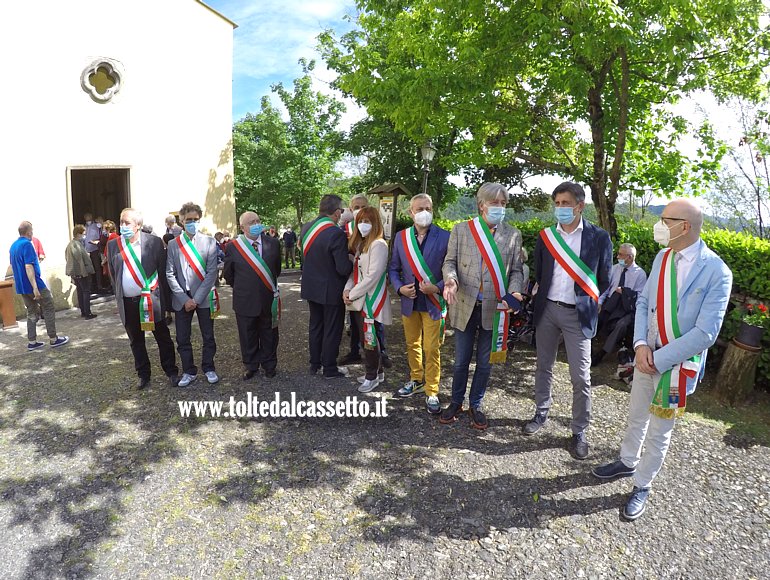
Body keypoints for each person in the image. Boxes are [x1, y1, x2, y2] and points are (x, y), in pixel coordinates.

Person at [592, 199, 732, 520]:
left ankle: (643, 484)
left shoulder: (716, 272)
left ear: (684, 227)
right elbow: (643, 303)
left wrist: (659, 358)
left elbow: (705, 333)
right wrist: (641, 345)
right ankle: (627, 462)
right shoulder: (661, 257)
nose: (659, 224)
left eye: (665, 219)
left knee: (659, 430)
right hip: (646, 357)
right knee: (636, 415)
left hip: (676, 368)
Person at [522, 182, 612, 459]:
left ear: (580, 206)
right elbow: (540, 272)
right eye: (557, 203)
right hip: (547, 310)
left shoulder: (599, 238)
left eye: (565, 203)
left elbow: (605, 278)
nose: (560, 208)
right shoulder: (546, 237)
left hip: (578, 314)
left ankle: (579, 430)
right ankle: (541, 412)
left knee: (581, 377)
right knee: (543, 367)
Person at [441, 183, 524, 430]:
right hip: (465, 303)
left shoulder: (513, 235)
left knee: (485, 363)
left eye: (503, 203)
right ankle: (456, 402)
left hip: (495, 308)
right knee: (460, 361)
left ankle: (475, 404)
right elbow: (450, 261)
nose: (499, 207)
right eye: (494, 203)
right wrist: (451, 280)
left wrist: (516, 290)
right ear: (481, 205)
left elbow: (517, 271)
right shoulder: (462, 230)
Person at [388, 193, 450, 414]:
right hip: (410, 301)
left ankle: (432, 389)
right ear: (410, 212)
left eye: (428, 208)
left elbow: (452, 270)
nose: (424, 212)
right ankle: (416, 378)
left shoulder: (445, 237)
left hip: (433, 301)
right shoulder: (400, 237)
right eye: (419, 208)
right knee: (412, 344)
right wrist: (399, 288)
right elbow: (393, 268)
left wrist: (438, 287)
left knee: (432, 348)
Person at [107, 208, 179, 390]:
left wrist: (167, 304)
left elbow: (162, 273)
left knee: (162, 337)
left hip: (151, 300)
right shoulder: (113, 245)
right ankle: (143, 375)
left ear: (138, 225)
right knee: (136, 341)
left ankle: (171, 371)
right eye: (121, 222)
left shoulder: (153, 243)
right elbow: (113, 275)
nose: (123, 226)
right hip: (128, 302)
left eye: (127, 223)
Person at [166, 202, 220, 387]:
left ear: (200, 219)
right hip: (182, 298)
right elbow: (169, 274)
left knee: (208, 335)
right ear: (181, 220)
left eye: (195, 219)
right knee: (182, 338)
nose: (192, 223)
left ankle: (209, 367)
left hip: (203, 298)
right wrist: (184, 299)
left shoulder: (210, 242)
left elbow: (212, 273)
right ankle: (189, 371)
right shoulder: (173, 244)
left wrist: (196, 299)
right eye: (188, 219)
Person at [300, 194, 353, 378]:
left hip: (311, 286)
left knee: (316, 325)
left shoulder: (306, 228)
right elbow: (342, 267)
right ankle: (329, 367)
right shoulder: (336, 233)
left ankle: (314, 364)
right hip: (330, 289)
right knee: (332, 328)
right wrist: (354, 262)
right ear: (337, 212)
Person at [224, 211, 281, 379]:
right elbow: (229, 274)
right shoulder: (233, 246)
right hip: (244, 299)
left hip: (268, 298)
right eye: (251, 222)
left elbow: (276, 269)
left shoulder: (273, 243)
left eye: (258, 221)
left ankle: (269, 364)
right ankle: (251, 365)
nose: (256, 224)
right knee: (247, 334)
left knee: (269, 333)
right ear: (242, 227)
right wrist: (244, 287)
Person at [344, 206, 392, 392]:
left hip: (371, 300)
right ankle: (377, 372)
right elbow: (356, 273)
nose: (364, 225)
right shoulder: (362, 245)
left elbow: (373, 276)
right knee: (367, 339)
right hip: (360, 299)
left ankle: (371, 375)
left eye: (368, 221)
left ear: (375, 223)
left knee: (369, 339)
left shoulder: (378, 245)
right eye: (361, 221)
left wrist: (352, 294)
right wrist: (347, 290)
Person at [10, 221, 69, 351]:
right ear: (29, 232)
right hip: (33, 284)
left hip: (21, 286)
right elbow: (28, 266)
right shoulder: (27, 245)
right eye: (32, 231)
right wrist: (35, 287)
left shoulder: (13, 246)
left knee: (31, 312)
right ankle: (53, 338)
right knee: (48, 306)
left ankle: (32, 341)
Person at [591, 243, 647, 367]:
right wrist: (600, 302)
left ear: (630, 257)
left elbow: (641, 296)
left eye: (621, 255)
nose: (618, 257)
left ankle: (602, 353)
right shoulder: (615, 268)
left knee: (621, 326)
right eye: (618, 254)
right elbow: (607, 288)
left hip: (627, 308)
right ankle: (588, 348)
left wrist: (626, 292)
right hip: (611, 302)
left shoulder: (640, 274)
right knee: (596, 317)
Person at [65, 224, 96, 319]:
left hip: (76, 272)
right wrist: (84, 272)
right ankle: (87, 312)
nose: (84, 236)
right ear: (78, 234)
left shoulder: (71, 244)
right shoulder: (75, 245)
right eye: (83, 234)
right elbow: (79, 260)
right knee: (85, 291)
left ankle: (83, 311)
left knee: (80, 291)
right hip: (80, 272)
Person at [84, 212, 106, 295]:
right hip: (86, 250)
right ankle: (90, 287)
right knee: (89, 269)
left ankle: (99, 285)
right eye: (86, 216)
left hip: (95, 249)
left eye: (89, 215)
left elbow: (101, 233)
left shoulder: (96, 225)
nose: (87, 217)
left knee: (97, 268)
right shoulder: (84, 227)